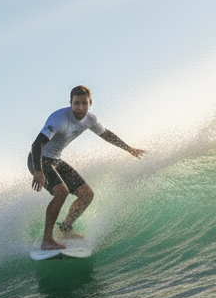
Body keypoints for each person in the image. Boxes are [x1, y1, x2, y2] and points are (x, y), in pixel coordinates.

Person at [28, 85, 145, 250]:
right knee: (61, 191)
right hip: (38, 159)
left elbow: (106, 134)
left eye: (84, 103)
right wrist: (38, 171)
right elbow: (37, 144)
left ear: (90, 102)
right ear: (71, 103)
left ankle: (66, 227)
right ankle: (47, 240)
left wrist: (128, 148)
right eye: (76, 103)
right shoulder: (58, 118)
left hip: (55, 159)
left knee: (87, 195)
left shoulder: (91, 119)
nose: (80, 107)